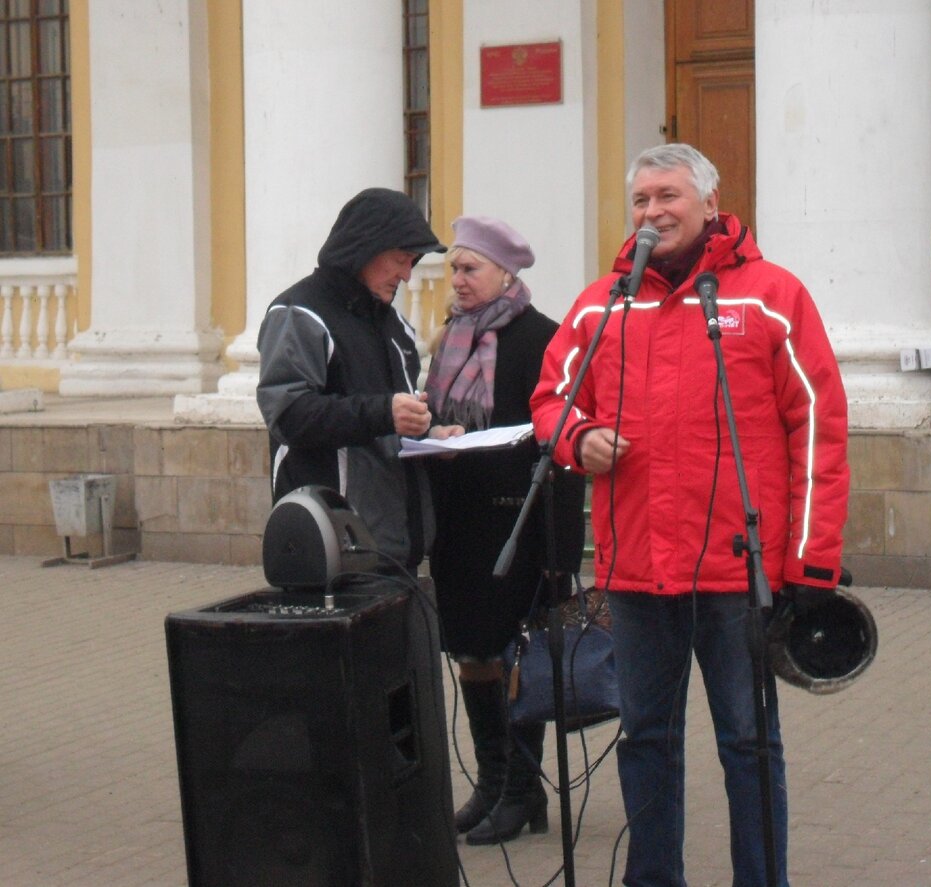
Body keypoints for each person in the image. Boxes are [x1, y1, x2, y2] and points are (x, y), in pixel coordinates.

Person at [530, 144, 850, 886]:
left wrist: (812, 562)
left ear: (710, 203)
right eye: (640, 200)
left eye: (667, 196)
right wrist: (577, 439)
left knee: (748, 741)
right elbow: (549, 400)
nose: (652, 212)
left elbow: (819, 429)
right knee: (646, 739)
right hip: (638, 573)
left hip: (739, 572)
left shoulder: (770, 296)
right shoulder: (601, 305)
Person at [424, 216, 586, 845]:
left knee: (513, 659)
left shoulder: (542, 339)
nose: (458, 281)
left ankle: (523, 791)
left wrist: (561, 555)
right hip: (459, 528)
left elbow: (564, 450)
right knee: (470, 655)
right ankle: (492, 782)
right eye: (454, 269)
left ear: (505, 274)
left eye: (470, 269)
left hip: (517, 529)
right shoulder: (450, 339)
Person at [256, 187, 447, 578]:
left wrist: (432, 432)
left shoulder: (395, 327)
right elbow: (289, 415)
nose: (407, 276)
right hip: (331, 545)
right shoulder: (299, 314)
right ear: (365, 248)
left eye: (413, 262)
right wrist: (385, 413)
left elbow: (391, 422)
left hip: (394, 547)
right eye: (400, 260)